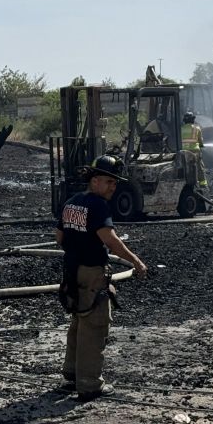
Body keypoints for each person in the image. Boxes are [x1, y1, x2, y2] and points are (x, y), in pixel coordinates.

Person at [55, 155, 148, 401]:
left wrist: (77, 247)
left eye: (115, 183)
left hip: (72, 269)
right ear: (95, 181)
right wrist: (135, 261)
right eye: (109, 182)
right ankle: (89, 384)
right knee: (95, 324)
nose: (113, 187)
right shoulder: (98, 206)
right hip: (92, 271)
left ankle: (72, 375)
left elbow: (59, 237)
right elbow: (110, 239)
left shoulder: (72, 202)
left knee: (78, 320)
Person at [180, 111, 208, 189]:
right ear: (193, 119)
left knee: (185, 168)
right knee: (199, 167)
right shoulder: (197, 128)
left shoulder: (181, 129)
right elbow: (200, 140)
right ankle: (203, 185)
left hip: (184, 152)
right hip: (195, 151)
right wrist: (201, 145)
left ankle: (186, 184)